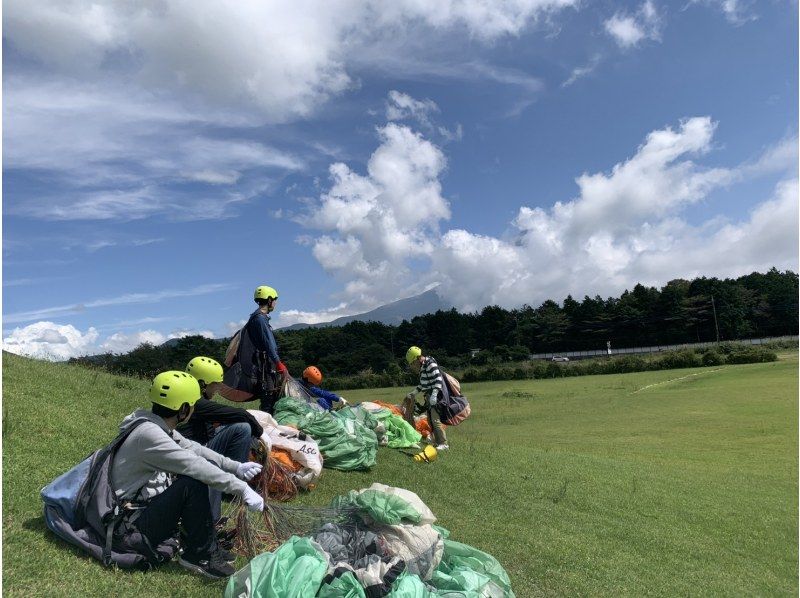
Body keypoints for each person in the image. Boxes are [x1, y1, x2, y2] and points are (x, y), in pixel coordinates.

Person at [111, 370, 265, 579]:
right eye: (192, 405)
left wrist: (235, 466)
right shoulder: (151, 435)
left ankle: (206, 545)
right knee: (192, 482)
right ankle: (199, 555)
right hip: (128, 529)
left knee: (193, 479)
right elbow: (193, 465)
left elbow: (194, 448)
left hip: (132, 513)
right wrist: (241, 487)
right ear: (183, 409)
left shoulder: (151, 424)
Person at [180, 356, 264, 525]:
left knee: (239, 427)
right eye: (215, 385)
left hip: (198, 445)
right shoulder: (196, 403)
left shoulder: (190, 399)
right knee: (242, 428)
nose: (217, 389)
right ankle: (213, 520)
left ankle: (232, 484)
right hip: (192, 452)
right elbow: (242, 415)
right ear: (203, 384)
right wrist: (260, 433)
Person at [221, 285, 288, 413]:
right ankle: (266, 428)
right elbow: (268, 343)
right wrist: (278, 363)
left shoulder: (256, 318)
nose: (275, 303)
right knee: (269, 399)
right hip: (264, 368)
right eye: (274, 300)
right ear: (269, 300)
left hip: (263, 366)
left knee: (270, 398)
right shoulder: (260, 319)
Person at [404, 346, 448, 450]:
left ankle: (444, 444)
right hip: (428, 396)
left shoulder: (430, 364)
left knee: (435, 419)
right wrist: (414, 393)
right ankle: (437, 442)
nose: (413, 365)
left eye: (413, 363)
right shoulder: (423, 367)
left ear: (417, 359)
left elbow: (438, 379)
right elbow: (422, 384)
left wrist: (434, 394)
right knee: (430, 420)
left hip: (436, 395)